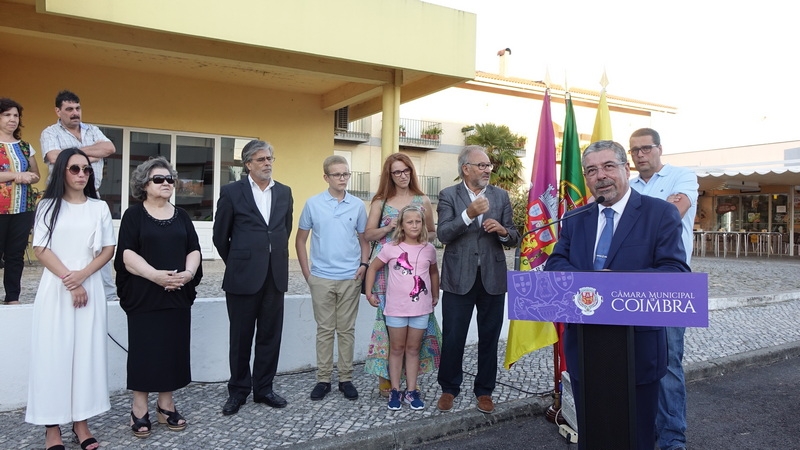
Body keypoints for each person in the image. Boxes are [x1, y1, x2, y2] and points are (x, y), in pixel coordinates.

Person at [545, 140, 690, 450]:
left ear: (627, 169)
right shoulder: (574, 218)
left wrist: (617, 285)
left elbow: (675, 274)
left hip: (636, 347)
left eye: (609, 166)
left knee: (635, 437)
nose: (601, 176)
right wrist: (592, 283)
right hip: (586, 346)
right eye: (592, 170)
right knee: (593, 435)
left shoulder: (660, 213)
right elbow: (556, 264)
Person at [25, 148, 115, 450]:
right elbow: (41, 249)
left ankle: (82, 423)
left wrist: (83, 275)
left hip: (90, 290)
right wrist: (71, 280)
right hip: (57, 292)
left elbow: (106, 250)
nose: (81, 175)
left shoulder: (99, 208)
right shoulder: (48, 206)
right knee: (54, 356)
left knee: (86, 356)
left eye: (86, 170)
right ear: (62, 170)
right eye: (74, 169)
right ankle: (52, 429)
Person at [115, 157, 202, 438]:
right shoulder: (133, 215)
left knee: (173, 349)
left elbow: (194, 249)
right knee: (144, 351)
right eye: (159, 179)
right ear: (144, 184)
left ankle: (166, 405)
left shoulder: (182, 216)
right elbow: (126, 254)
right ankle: (139, 408)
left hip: (177, 295)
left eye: (169, 179)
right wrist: (155, 275)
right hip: (144, 296)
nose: (166, 183)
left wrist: (188, 274)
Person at [435, 145, 520, 414]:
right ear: (466, 168)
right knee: (453, 337)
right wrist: (468, 214)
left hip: (493, 279)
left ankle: (485, 391)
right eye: (481, 165)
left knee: (489, 338)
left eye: (488, 166)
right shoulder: (449, 195)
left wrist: (503, 231)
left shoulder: (501, 196)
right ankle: (449, 388)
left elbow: (515, 236)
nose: (487, 170)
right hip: (458, 279)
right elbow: (444, 234)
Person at [629, 128, 698, 450]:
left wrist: (635, 219)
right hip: (630, 284)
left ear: (659, 149)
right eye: (634, 151)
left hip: (670, 282)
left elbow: (673, 213)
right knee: (635, 361)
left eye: (645, 149)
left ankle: (673, 438)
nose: (640, 155)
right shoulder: (627, 186)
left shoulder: (682, 177)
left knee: (668, 364)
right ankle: (643, 431)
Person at [213, 140, 293, 415]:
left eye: (269, 158)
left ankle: (264, 389)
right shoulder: (232, 192)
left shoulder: (284, 192)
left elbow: (284, 230)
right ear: (248, 164)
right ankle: (238, 391)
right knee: (241, 337)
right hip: (243, 277)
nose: (267, 163)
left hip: (274, 276)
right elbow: (220, 236)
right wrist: (240, 262)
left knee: (270, 336)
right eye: (261, 159)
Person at [363, 153, 440, 397]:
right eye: (397, 172)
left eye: (406, 170)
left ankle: (410, 382)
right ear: (390, 175)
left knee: (414, 327)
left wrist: (415, 241)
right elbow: (368, 235)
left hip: (413, 271)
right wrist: (391, 227)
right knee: (388, 327)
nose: (402, 175)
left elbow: (431, 232)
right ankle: (386, 380)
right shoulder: (381, 201)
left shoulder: (422, 199)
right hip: (385, 271)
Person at [295, 155, 369, 401]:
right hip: (321, 278)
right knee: (325, 330)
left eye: (346, 174)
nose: (342, 179)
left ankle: (346, 379)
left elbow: (363, 239)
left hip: (350, 277)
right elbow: (301, 239)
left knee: (346, 331)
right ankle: (323, 379)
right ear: (326, 177)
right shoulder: (313, 204)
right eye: (337, 174)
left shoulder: (357, 205)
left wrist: (363, 265)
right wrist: (308, 274)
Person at [40, 90, 117, 303]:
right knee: (68, 249)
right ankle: (67, 288)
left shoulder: (92, 129)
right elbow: (54, 157)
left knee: (100, 246)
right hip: (61, 197)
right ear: (58, 111)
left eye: (78, 108)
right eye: (69, 109)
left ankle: (108, 296)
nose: (75, 113)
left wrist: (72, 155)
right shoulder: (50, 132)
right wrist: (89, 155)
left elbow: (109, 147)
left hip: (92, 195)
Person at [0, 98, 40, 305]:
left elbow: (36, 174)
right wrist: (16, 175)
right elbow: (19, 174)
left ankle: (12, 297)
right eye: (7, 115)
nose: (12, 119)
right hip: (0, 209)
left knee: (15, 255)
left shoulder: (25, 147)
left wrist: (29, 176)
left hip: (23, 208)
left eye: (16, 115)